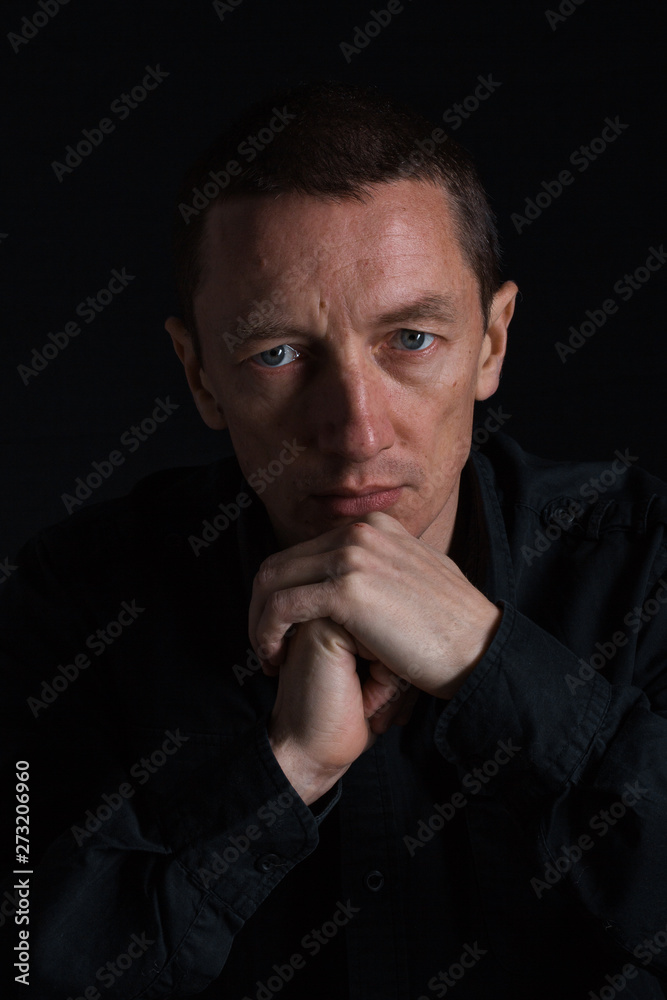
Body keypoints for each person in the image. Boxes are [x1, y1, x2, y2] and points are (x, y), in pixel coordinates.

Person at [2, 80, 667, 999]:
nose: (355, 430)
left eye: (411, 338)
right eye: (276, 354)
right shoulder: (75, 607)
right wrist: (288, 771)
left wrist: (491, 665)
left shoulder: (643, 566)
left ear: (492, 341)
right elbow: (24, 964)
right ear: (199, 376)